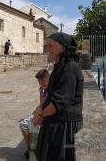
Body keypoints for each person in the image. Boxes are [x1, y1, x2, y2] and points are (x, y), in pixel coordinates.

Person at [33, 32, 84, 161]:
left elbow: (59, 101)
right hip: (55, 121)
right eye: (47, 45)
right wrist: (39, 108)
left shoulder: (70, 68)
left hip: (64, 125)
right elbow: (50, 93)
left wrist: (40, 115)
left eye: (50, 45)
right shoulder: (59, 66)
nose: (47, 48)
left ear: (62, 48)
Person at [19, 69, 49, 160]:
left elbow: (44, 106)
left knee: (23, 124)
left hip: (46, 115)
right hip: (43, 113)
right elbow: (42, 104)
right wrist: (41, 93)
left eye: (39, 81)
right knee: (27, 123)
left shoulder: (49, 89)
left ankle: (32, 150)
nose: (39, 84)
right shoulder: (46, 88)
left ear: (44, 79)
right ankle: (32, 149)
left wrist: (39, 116)